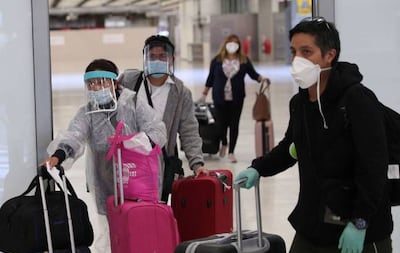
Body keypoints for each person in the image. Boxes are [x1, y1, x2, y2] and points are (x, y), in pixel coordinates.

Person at [235, 17, 400, 253]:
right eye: (293, 52)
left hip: (359, 233)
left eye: (307, 52)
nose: (297, 60)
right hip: (314, 229)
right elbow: (291, 149)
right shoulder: (301, 103)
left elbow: (374, 166)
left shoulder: (357, 100)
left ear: (329, 55)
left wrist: (361, 221)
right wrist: (259, 168)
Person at [42, 58, 167, 215]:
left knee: (138, 220)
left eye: (101, 83)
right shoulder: (87, 112)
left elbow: (157, 130)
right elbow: (75, 135)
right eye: (91, 84)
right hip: (105, 179)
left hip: (137, 177)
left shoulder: (133, 103)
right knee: (113, 227)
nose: (96, 88)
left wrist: (138, 143)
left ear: (115, 83)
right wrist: (58, 156)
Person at [118, 35, 207, 202]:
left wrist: (197, 163)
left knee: (156, 212)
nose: (156, 60)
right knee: (130, 212)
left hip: (160, 164)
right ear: (145, 58)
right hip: (129, 164)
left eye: (162, 56)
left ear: (171, 60)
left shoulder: (180, 93)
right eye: (152, 56)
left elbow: (189, 130)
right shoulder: (129, 81)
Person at [199, 34, 269, 163]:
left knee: (234, 124)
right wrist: (204, 94)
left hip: (237, 98)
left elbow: (253, 74)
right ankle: (224, 143)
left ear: (239, 46)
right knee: (220, 124)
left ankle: (231, 152)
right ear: (225, 44)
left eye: (235, 43)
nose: (232, 45)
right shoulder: (217, 60)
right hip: (219, 97)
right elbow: (210, 78)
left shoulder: (244, 60)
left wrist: (262, 79)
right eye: (230, 42)